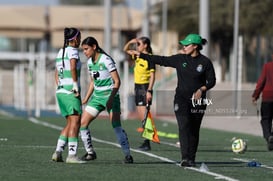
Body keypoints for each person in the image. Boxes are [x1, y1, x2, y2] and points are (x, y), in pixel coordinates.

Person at [127, 33, 216, 167]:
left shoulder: (205, 62)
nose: (184, 47)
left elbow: (212, 81)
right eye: (183, 45)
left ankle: (191, 157)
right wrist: (142, 55)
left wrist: (201, 89)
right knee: (184, 125)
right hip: (181, 99)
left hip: (198, 101)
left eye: (187, 45)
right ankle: (185, 158)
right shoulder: (180, 59)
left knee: (194, 128)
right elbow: (162, 60)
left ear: (196, 46)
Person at [79, 36, 134, 163]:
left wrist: (110, 99)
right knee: (83, 124)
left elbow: (117, 81)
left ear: (94, 47)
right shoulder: (89, 63)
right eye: (83, 50)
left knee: (116, 126)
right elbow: (93, 82)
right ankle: (90, 153)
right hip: (97, 98)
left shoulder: (106, 60)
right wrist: (86, 98)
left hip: (111, 96)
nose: (85, 52)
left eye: (86, 49)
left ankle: (128, 155)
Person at [52, 27, 86, 163]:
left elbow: (56, 72)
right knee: (76, 122)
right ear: (75, 39)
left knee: (70, 123)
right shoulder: (73, 51)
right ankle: (72, 155)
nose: (80, 40)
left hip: (61, 91)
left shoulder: (61, 52)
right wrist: (74, 84)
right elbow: (72, 66)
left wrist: (60, 85)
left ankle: (58, 152)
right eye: (80, 37)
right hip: (70, 92)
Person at [123, 37, 156, 151]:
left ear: (145, 45)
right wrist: (130, 42)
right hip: (137, 87)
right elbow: (125, 49)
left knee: (144, 116)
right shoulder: (137, 55)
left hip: (144, 87)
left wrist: (149, 90)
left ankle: (147, 142)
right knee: (142, 116)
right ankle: (147, 140)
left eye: (139, 44)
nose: (137, 46)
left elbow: (152, 76)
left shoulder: (150, 58)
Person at [252, 54, 273, 151]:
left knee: (265, 119)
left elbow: (261, 81)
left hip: (267, 98)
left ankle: (268, 136)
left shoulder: (267, 66)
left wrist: (255, 95)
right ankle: (271, 138)